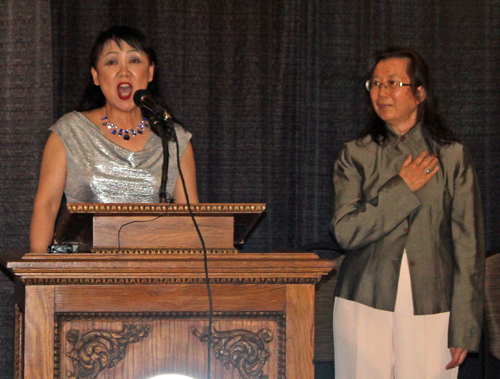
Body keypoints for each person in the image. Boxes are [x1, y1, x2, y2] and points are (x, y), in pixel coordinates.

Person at [330, 47, 484, 379]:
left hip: (433, 304)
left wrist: (465, 326)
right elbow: (344, 231)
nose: (382, 92)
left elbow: (468, 249)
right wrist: (401, 188)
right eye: (375, 83)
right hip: (363, 302)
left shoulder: (452, 156)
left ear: (419, 93)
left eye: (393, 83)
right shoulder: (355, 154)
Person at [30, 26, 198, 254]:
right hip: (83, 276)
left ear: (150, 73)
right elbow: (47, 207)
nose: (124, 72)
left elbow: (191, 219)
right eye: (111, 62)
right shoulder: (70, 132)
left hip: (154, 278)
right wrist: (40, 279)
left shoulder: (173, 138)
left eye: (134, 60)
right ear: (96, 76)